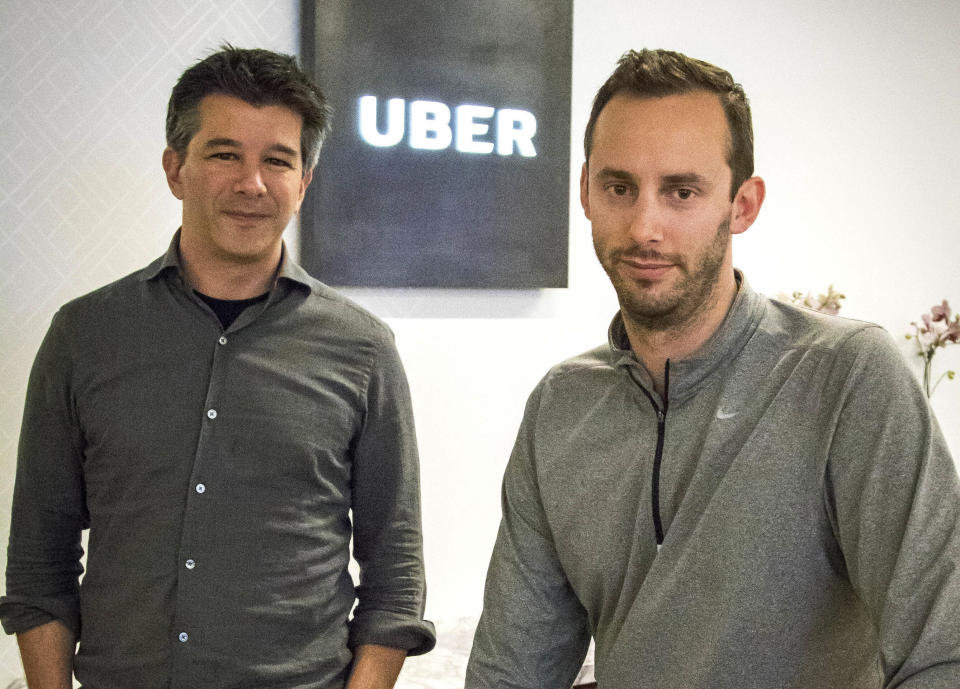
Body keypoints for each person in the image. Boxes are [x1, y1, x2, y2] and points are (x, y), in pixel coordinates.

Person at [466, 48, 960, 688]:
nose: (645, 226)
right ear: (587, 191)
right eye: (620, 188)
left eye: (682, 191)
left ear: (743, 204)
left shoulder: (847, 378)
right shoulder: (560, 407)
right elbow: (510, 672)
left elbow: (944, 652)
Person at [1, 45, 434, 689]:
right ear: (176, 169)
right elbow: (40, 563)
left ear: (304, 181)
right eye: (224, 154)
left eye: (277, 161)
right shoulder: (84, 336)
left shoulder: (363, 349)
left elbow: (395, 578)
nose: (251, 183)